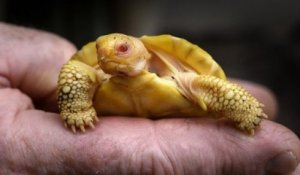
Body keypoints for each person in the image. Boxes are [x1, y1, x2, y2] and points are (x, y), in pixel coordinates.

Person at [0, 22, 299, 175]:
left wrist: (243, 109)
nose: (107, 55)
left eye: (121, 50)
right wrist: (76, 107)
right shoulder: (93, 76)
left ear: (141, 51)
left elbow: (217, 87)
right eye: (102, 52)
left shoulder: (184, 79)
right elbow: (77, 71)